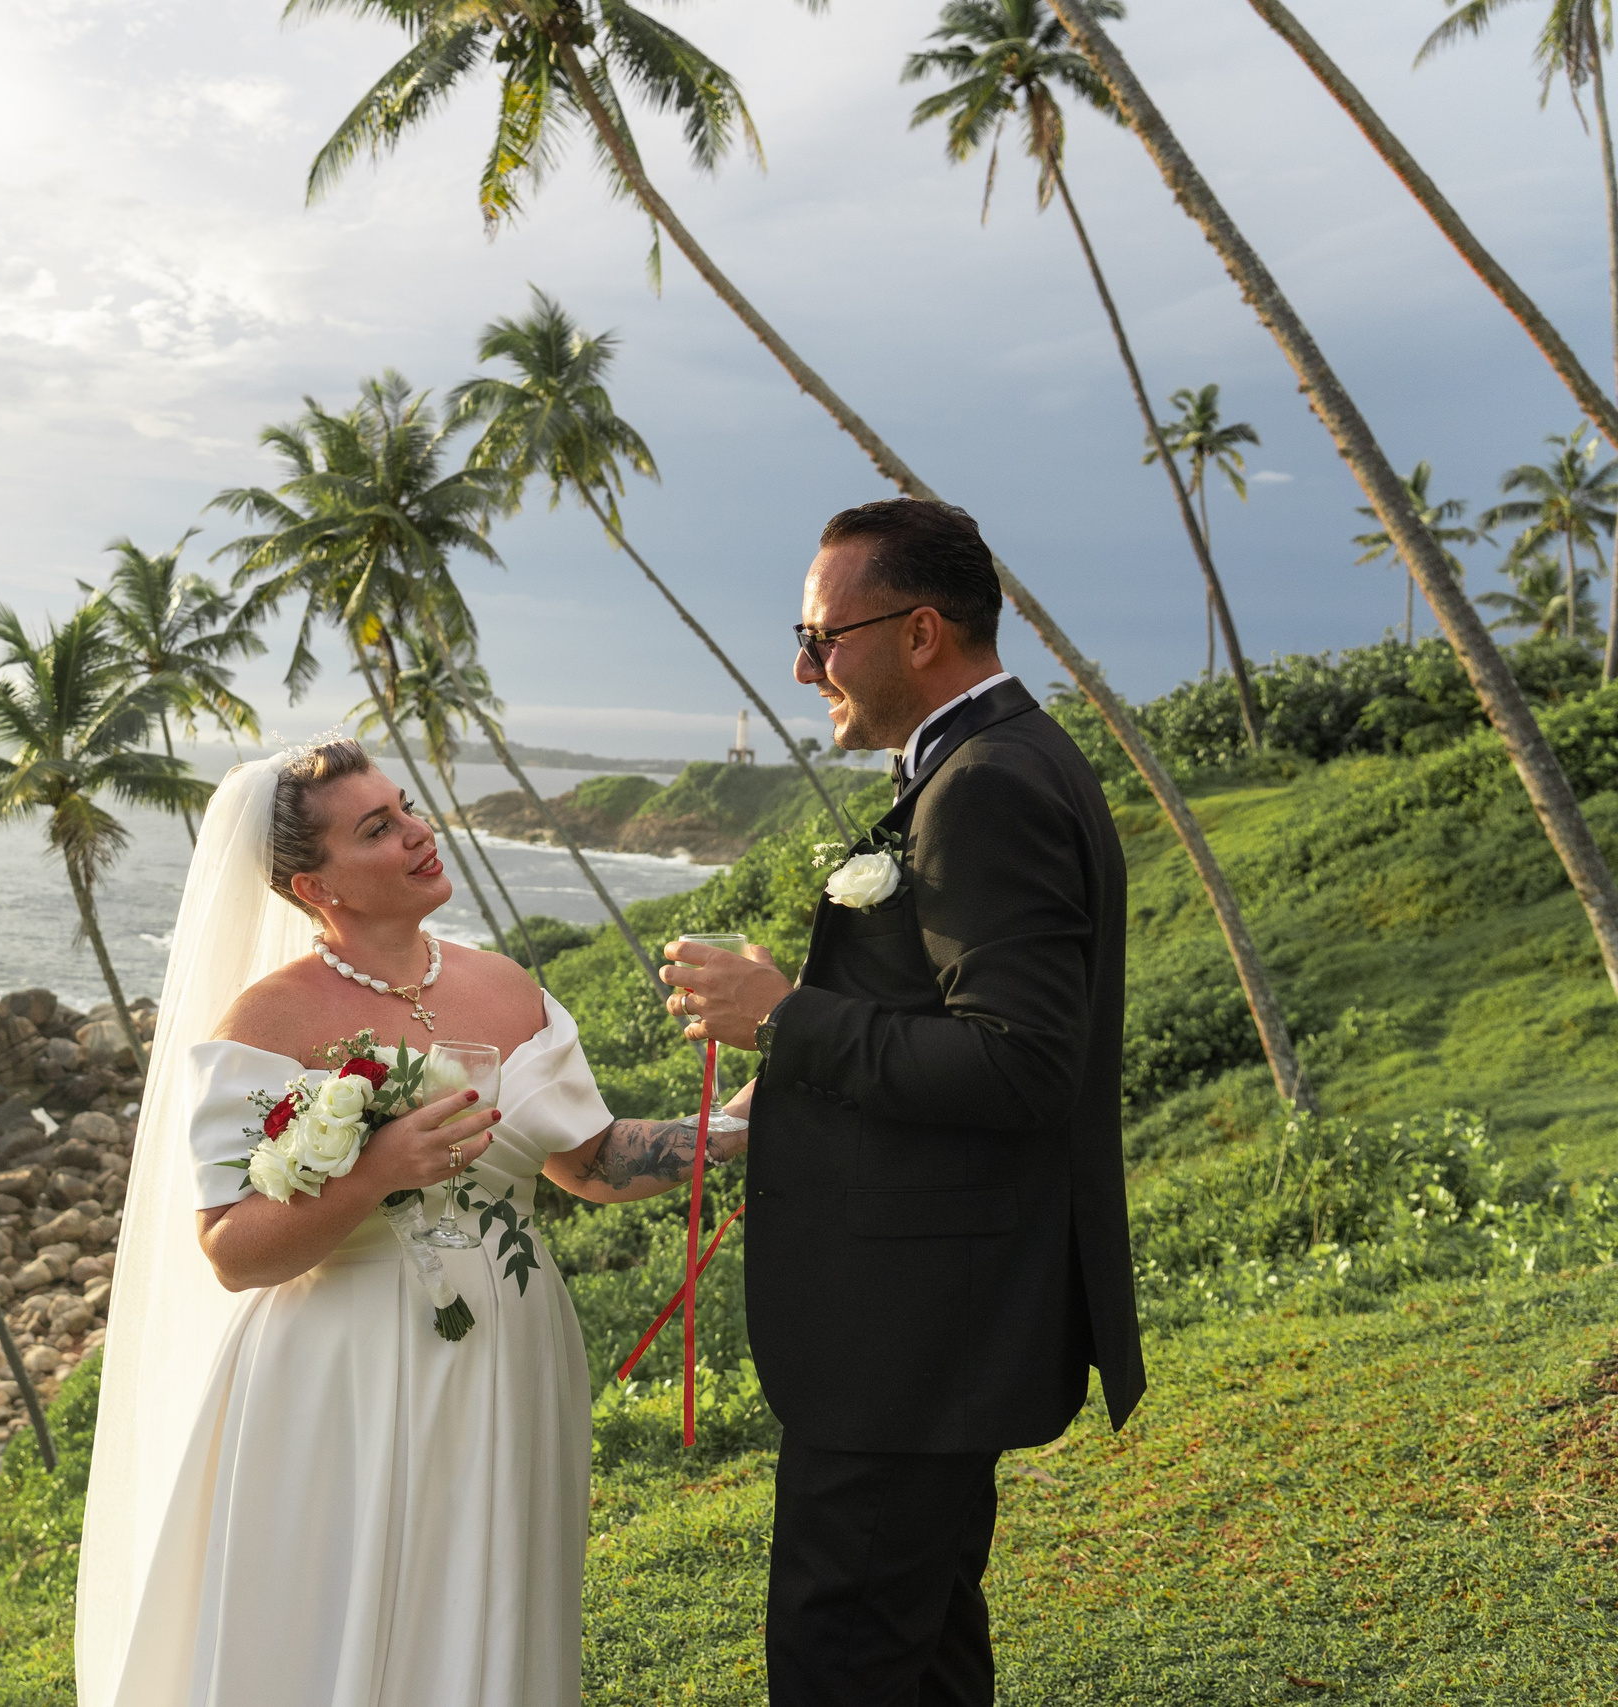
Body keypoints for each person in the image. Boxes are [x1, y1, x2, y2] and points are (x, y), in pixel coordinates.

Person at [75, 738, 741, 1707]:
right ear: (315, 886)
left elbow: (591, 1160)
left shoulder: (508, 989)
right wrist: (376, 1172)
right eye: (377, 828)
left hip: (507, 1358)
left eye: (408, 808)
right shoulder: (267, 1023)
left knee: (483, 1617)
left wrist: (735, 1128)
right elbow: (228, 1247)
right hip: (338, 1377)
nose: (419, 834)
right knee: (341, 1632)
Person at [662, 497, 1147, 1707]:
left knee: (843, 1663)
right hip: (927, 1324)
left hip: (907, 1334)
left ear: (920, 631)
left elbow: (1020, 1063)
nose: (801, 663)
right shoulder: (994, 760)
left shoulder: (983, 786)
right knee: (921, 1657)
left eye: (822, 635)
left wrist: (784, 1015)